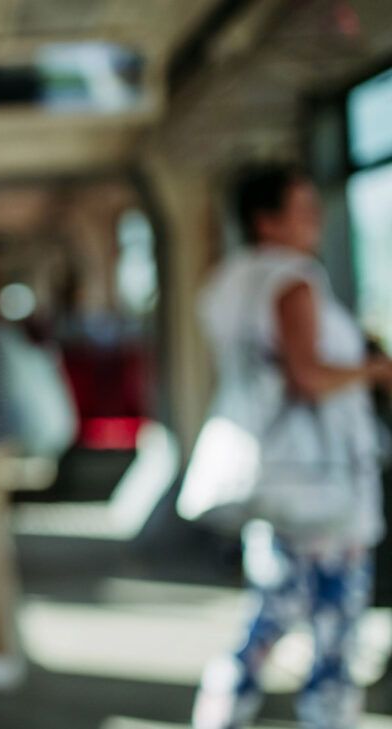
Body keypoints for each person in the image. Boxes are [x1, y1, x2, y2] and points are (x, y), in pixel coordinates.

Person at [186, 164, 392, 729]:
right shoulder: (295, 279)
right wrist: (374, 368)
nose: (317, 222)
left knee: (273, 608)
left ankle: (223, 705)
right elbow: (308, 374)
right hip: (325, 475)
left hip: (273, 473)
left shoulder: (229, 280)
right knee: (334, 630)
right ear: (267, 221)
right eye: (304, 210)